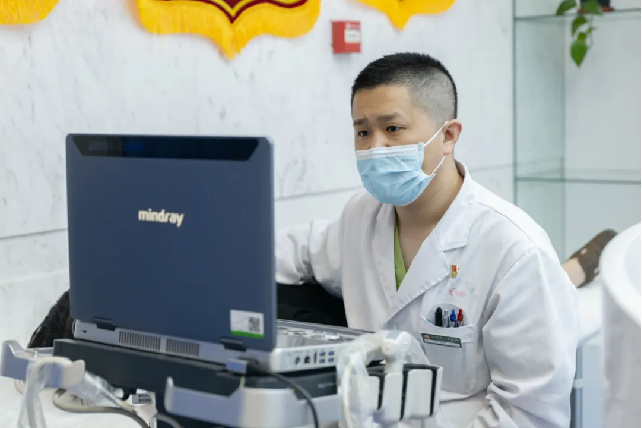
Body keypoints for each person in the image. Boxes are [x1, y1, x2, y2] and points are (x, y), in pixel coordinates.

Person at [276, 53, 579, 427]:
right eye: (363, 132)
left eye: (393, 129)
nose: (375, 148)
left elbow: (528, 414)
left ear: (448, 136)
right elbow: (288, 252)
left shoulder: (514, 249)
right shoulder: (361, 216)